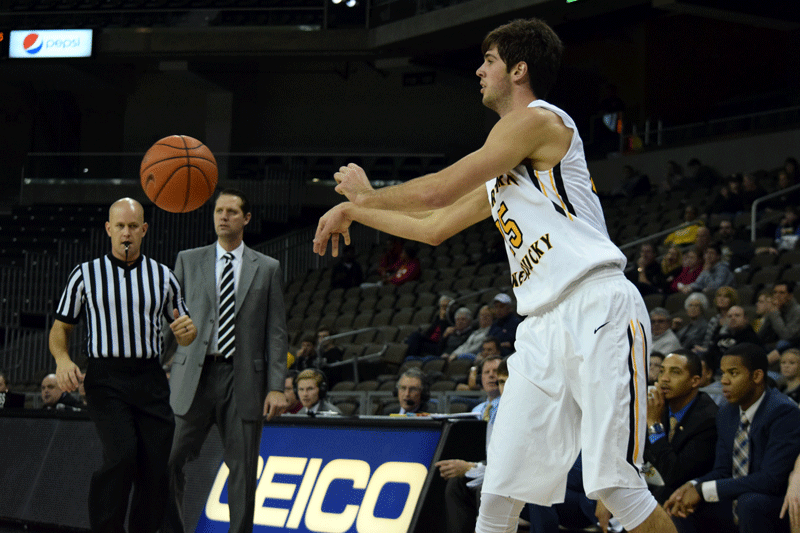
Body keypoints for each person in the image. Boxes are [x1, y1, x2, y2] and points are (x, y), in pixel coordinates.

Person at [313, 18, 674, 533]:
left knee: (615, 485)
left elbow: (437, 191)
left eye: (489, 61)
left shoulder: (538, 121)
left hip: (597, 305)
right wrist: (356, 214)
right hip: (541, 327)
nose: (479, 70)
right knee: (499, 492)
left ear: (519, 69)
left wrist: (367, 196)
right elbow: (435, 226)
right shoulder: (505, 165)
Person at [49, 198, 197, 533]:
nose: (126, 233)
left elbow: (185, 328)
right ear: (108, 230)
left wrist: (189, 332)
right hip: (106, 378)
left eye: (133, 226)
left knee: (157, 467)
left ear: (144, 230)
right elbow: (61, 327)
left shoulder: (163, 276)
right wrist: (62, 358)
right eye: (120, 226)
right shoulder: (84, 275)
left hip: (151, 378)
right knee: (121, 457)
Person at [165, 189, 288, 533]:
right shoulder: (188, 260)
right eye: (219, 210)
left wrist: (277, 387)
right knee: (168, 459)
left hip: (243, 378)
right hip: (193, 375)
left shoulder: (267, 268)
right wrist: (147, 366)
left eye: (232, 211)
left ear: (246, 219)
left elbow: (276, 333)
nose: (223, 217)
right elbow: (169, 322)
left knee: (243, 470)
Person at [664, 343, 800, 533]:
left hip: (776, 503)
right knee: (681, 504)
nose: (724, 381)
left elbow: (771, 479)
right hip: (742, 496)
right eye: (723, 373)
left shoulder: (783, 412)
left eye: (733, 373)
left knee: (749, 502)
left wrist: (703, 490)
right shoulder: (727, 413)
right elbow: (722, 470)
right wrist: (692, 486)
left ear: (757, 376)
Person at [436, 358, 509, 533]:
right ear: (480, 379)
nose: (491, 376)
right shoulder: (475, 411)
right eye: (486, 372)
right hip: (479, 463)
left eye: (496, 372)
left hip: (500, 469)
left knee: (483, 489)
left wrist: (471, 467)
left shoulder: (509, 408)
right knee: (452, 481)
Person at [644, 350, 719, 505]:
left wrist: (653, 425)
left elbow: (675, 475)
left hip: (689, 496)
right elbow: (639, 459)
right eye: (662, 371)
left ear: (695, 381)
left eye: (675, 372)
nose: (664, 379)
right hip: (653, 484)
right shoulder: (658, 406)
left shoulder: (707, 419)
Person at [759, 282, 800, 366]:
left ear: (790, 296)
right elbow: (762, 335)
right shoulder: (775, 308)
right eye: (775, 292)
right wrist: (770, 313)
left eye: (781, 293)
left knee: (782, 343)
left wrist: (774, 313)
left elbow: (787, 336)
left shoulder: (797, 311)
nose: (777, 295)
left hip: (793, 346)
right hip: (774, 345)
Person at [404, 294, 454, 359]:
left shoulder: (452, 319)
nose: (443, 309)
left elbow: (443, 334)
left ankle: (410, 358)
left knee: (414, 341)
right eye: (442, 307)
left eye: (446, 306)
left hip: (439, 345)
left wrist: (442, 320)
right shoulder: (438, 317)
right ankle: (409, 358)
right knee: (415, 336)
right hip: (430, 341)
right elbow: (429, 332)